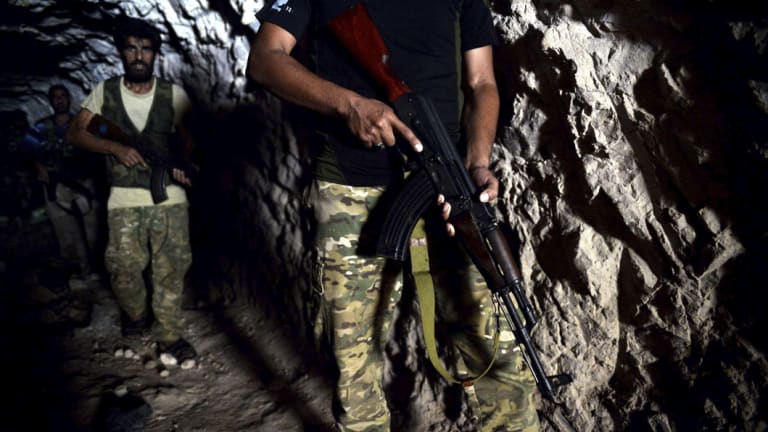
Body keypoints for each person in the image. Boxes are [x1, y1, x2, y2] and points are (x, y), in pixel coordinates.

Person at [247, 1, 541, 431]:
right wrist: (350, 106)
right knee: (355, 358)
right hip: (351, 185)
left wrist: (478, 163)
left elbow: (482, 84)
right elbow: (266, 59)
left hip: (448, 181)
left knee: (494, 345)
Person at [67, 17, 197, 365]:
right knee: (123, 272)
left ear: (155, 55)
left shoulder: (174, 94)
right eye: (131, 48)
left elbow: (190, 143)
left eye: (146, 49)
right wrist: (114, 148)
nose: (139, 55)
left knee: (170, 269)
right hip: (123, 201)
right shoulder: (105, 92)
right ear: (122, 53)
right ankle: (136, 316)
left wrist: (184, 168)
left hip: (170, 200)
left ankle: (169, 336)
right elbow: (75, 133)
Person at [23, 84, 104, 285]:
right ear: (51, 102)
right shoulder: (41, 126)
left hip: (84, 183)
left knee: (94, 228)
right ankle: (78, 270)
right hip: (55, 186)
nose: (59, 100)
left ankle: (98, 270)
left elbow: (106, 135)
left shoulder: (83, 122)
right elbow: (26, 149)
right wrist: (39, 167)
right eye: (55, 97)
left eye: (63, 96)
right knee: (65, 230)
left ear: (69, 99)